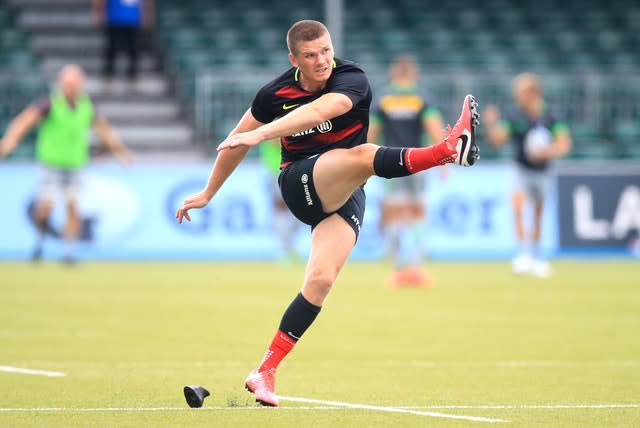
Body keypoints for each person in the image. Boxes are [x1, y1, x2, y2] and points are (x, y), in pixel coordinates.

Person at [176, 20, 479, 407]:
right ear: (293, 59)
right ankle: (447, 151)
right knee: (365, 156)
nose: (321, 61)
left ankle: (264, 371)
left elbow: (325, 108)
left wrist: (261, 133)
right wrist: (208, 191)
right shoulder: (274, 94)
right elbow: (235, 143)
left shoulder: (352, 78)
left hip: (346, 191)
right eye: (310, 55)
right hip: (298, 182)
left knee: (320, 280)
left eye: (325, 50)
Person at [0, 65, 133, 263]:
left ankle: (68, 251)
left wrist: (121, 152)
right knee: (46, 206)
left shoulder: (87, 105)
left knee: (73, 207)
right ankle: (40, 238)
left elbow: (104, 130)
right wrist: (8, 142)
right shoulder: (48, 104)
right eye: (68, 83)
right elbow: (24, 121)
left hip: (76, 164)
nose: (71, 87)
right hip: (51, 163)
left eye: (74, 83)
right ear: (61, 84)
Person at [368, 55, 445, 288]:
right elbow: (434, 129)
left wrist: (367, 161)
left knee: (393, 211)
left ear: (394, 74)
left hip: (391, 162)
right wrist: (444, 160)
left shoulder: (384, 98)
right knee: (417, 210)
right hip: (418, 161)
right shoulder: (422, 98)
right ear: (413, 74)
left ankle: (398, 265)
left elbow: (372, 132)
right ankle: (417, 263)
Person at [484, 73, 571, 277]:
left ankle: (537, 256)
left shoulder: (550, 115)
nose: (518, 97)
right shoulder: (515, 116)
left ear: (533, 93)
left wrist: (548, 152)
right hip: (520, 169)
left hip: (543, 171)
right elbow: (498, 139)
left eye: (521, 93)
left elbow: (564, 142)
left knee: (538, 215)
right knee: (518, 208)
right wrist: (491, 124)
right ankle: (523, 254)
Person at [92, 0, 155, 84]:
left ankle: (132, 74)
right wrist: (99, 13)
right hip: (114, 19)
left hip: (133, 20)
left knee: (133, 48)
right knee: (112, 48)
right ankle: (108, 74)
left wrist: (147, 15)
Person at [259, 138, 300, 262]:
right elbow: (278, 143)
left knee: (297, 211)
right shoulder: (274, 124)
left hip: (293, 170)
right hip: (277, 172)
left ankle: (287, 246)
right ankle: (283, 249)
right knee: (281, 208)